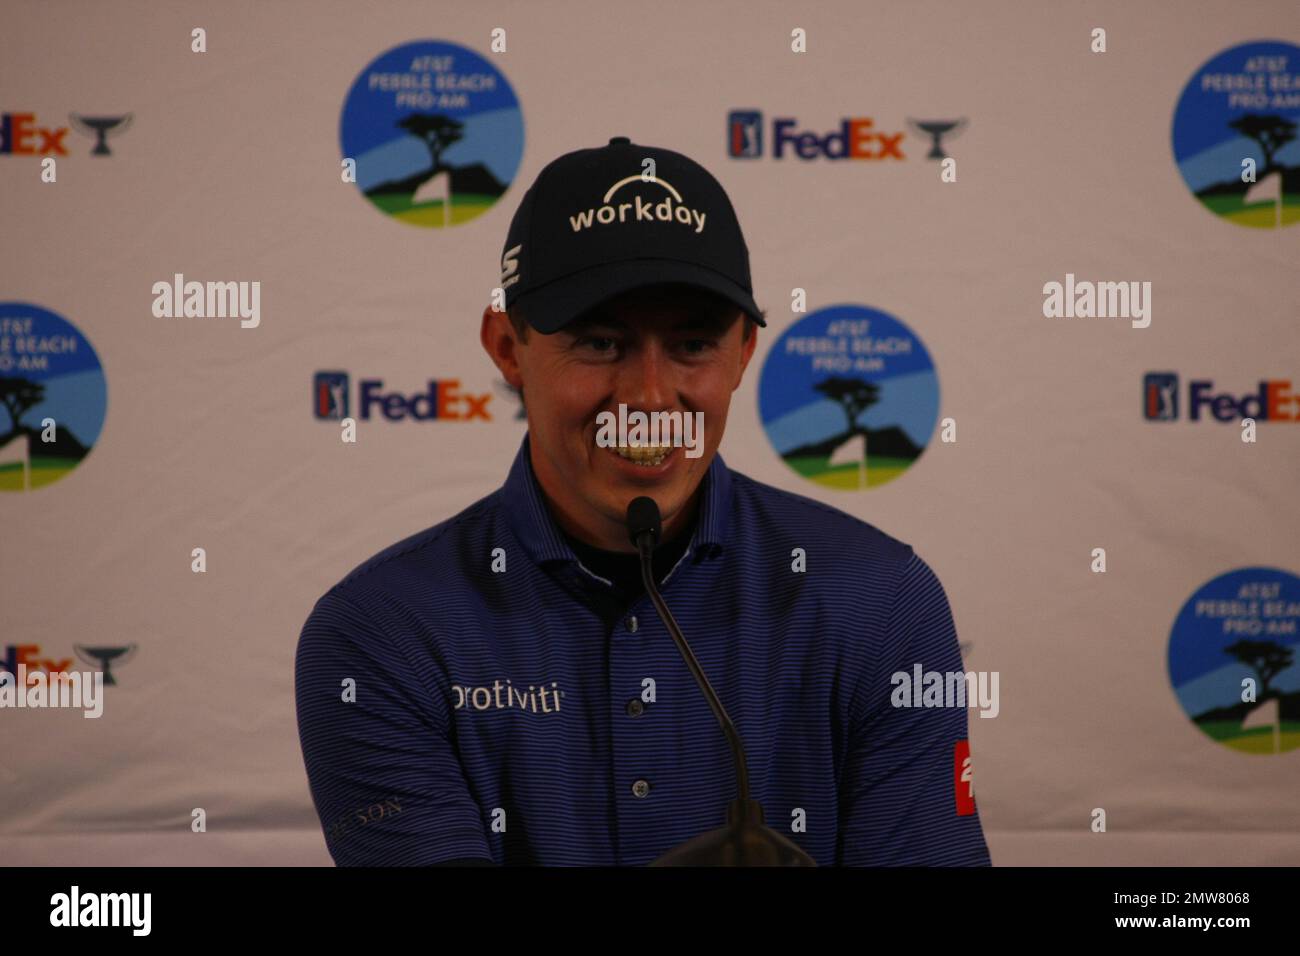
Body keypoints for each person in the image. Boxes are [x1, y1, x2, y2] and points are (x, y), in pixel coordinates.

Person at [294, 136, 991, 866]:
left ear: (746, 351)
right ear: (507, 346)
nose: (650, 399)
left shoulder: (880, 600)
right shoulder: (380, 636)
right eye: (600, 343)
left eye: (692, 344)